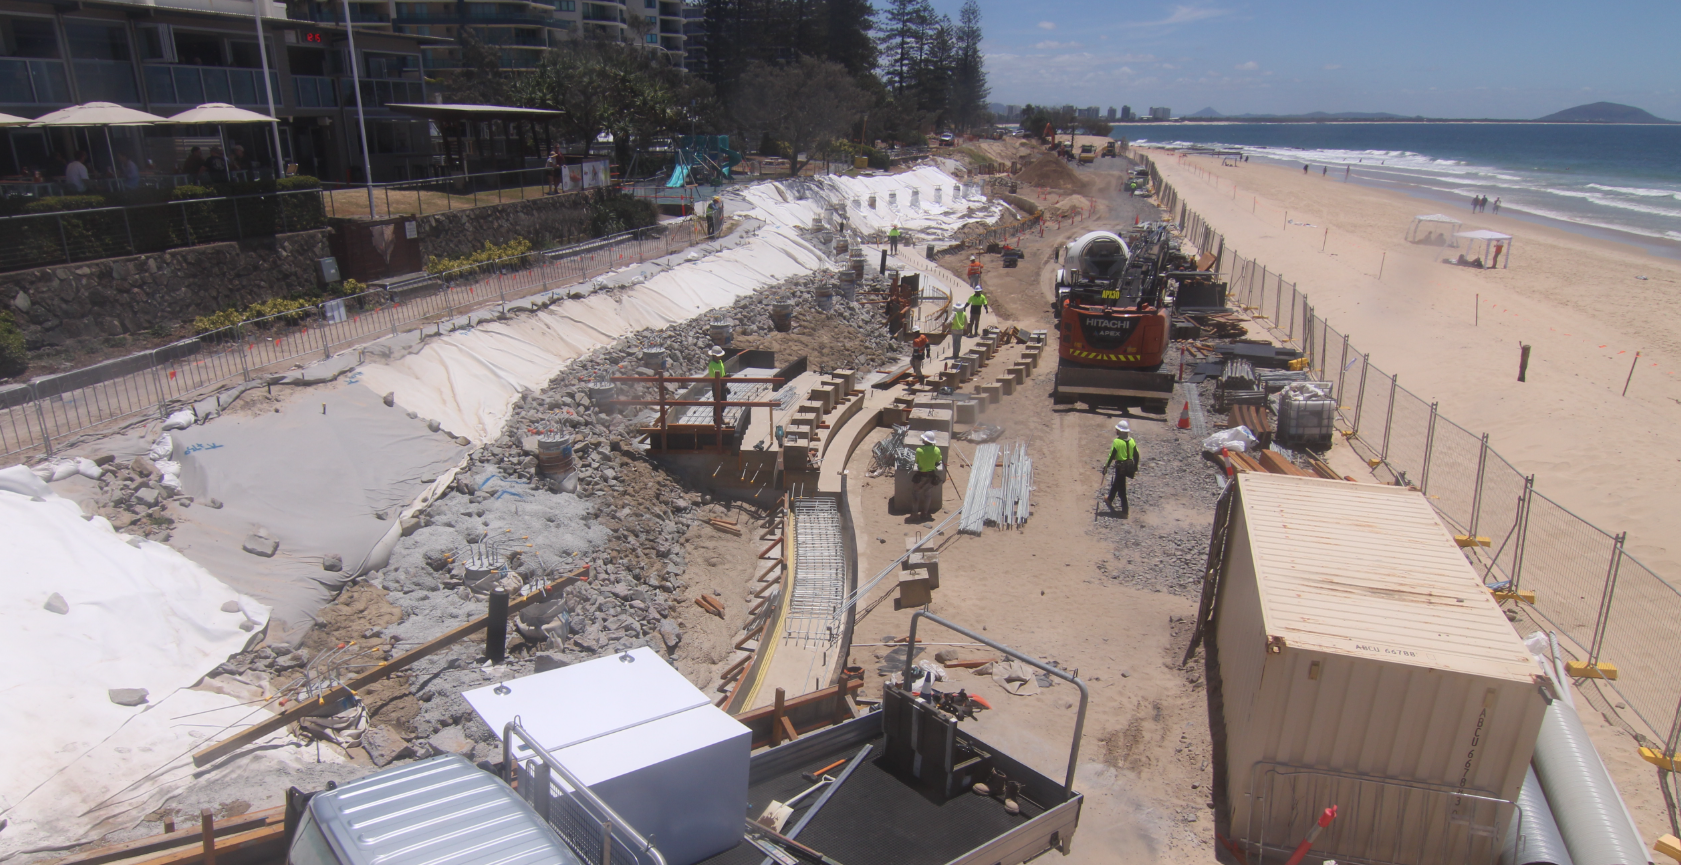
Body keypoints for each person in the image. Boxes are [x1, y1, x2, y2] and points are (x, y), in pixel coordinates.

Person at [1103, 419, 1139, 516]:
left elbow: (1111, 455)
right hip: (1129, 466)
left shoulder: (1117, 442)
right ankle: (1110, 499)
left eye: (1117, 430)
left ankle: (1125, 511)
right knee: (1117, 482)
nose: (1116, 431)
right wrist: (1135, 466)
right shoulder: (1132, 441)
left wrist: (1106, 467)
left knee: (1122, 489)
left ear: (1120, 431)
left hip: (1121, 467)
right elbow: (1136, 455)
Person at [911, 430, 944, 520]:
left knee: (916, 494)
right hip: (931, 476)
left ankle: (914, 514)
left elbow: (916, 461)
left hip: (921, 476)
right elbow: (938, 460)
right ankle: (924, 513)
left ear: (925, 440)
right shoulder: (937, 450)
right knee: (928, 495)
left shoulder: (919, 450)